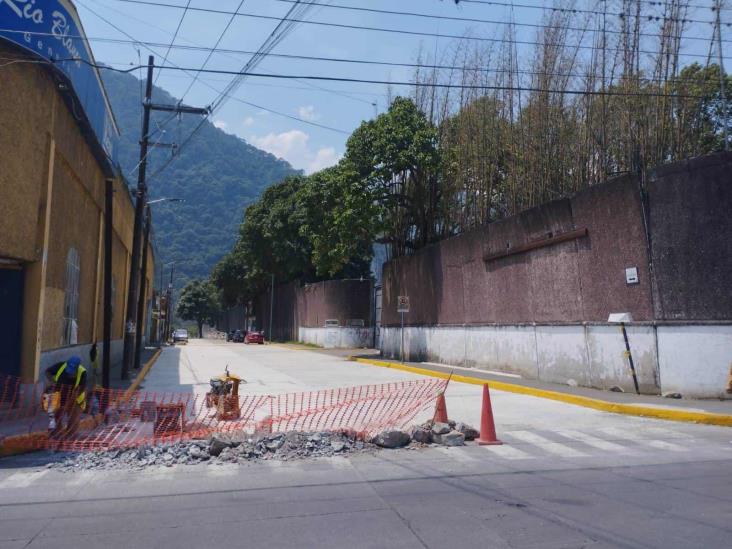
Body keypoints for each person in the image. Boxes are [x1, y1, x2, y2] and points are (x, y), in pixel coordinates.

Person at [44, 356, 87, 438]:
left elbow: (80, 389)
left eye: (72, 373)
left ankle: (71, 437)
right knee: (57, 415)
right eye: (68, 372)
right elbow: (47, 372)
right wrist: (52, 381)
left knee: (73, 419)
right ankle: (58, 434)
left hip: (76, 398)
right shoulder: (61, 366)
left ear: (77, 369)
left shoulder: (82, 372)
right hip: (60, 395)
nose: (69, 374)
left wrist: (67, 404)